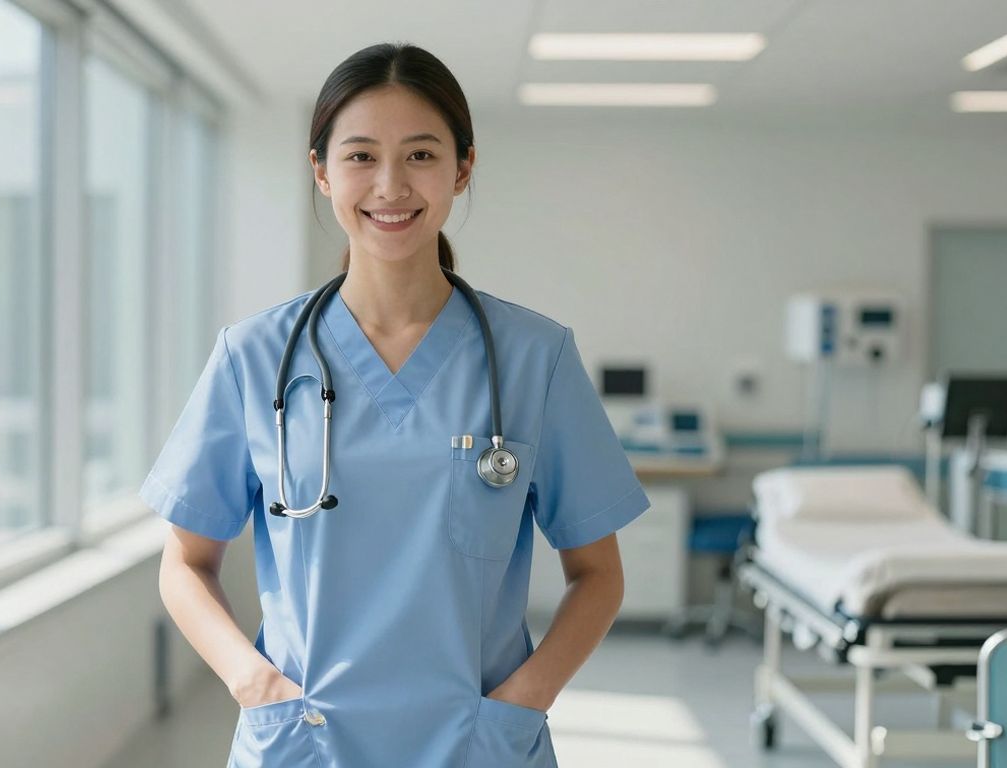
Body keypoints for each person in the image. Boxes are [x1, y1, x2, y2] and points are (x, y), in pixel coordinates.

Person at [141, 41, 650, 768]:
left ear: (462, 168)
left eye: (419, 155)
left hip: (476, 745)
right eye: (359, 157)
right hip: (302, 744)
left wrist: (525, 700)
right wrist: (253, 683)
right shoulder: (252, 359)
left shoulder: (536, 359)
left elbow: (598, 574)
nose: (390, 185)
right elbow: (185, 563)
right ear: (320, 171)